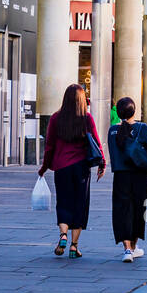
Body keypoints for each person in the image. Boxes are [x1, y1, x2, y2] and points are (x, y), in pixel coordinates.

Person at [37, 84, 106, 259]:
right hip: (81, 167)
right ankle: (74, 247)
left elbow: (49, 146)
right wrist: (102, 163)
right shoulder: (87, 119)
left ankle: (63, 235)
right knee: (80, 205)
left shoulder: (55, 118)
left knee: (64, 202)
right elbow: (97, 143)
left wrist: (44, 167)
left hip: (62, 167)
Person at [107, 97, 147, 262]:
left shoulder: (113, 131)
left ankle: (126, 249)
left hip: (121, 175)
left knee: (122, 210)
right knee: (138, 210)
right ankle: (134, 247)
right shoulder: (142, 128)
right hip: (140, 175)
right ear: (134, 111)